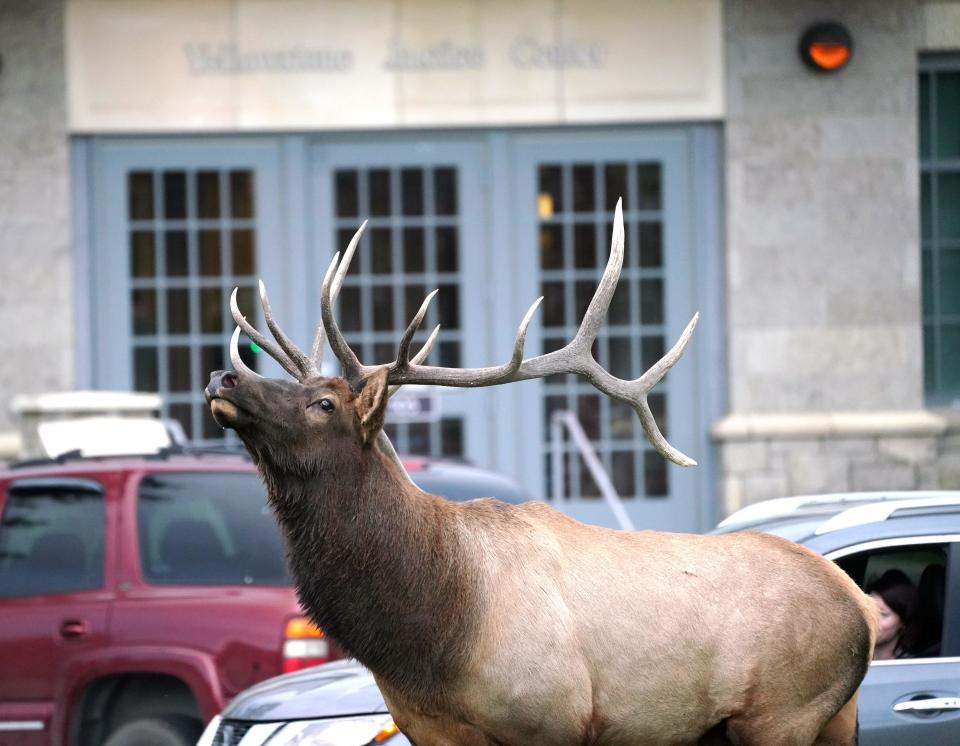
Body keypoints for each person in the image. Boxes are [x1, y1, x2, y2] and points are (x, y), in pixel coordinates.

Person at [865, 569, 919, 660]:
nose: (870, 618)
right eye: (868, 609)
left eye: (883, 614)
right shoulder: (851, 655)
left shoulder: (909, 667)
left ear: (903, 623)